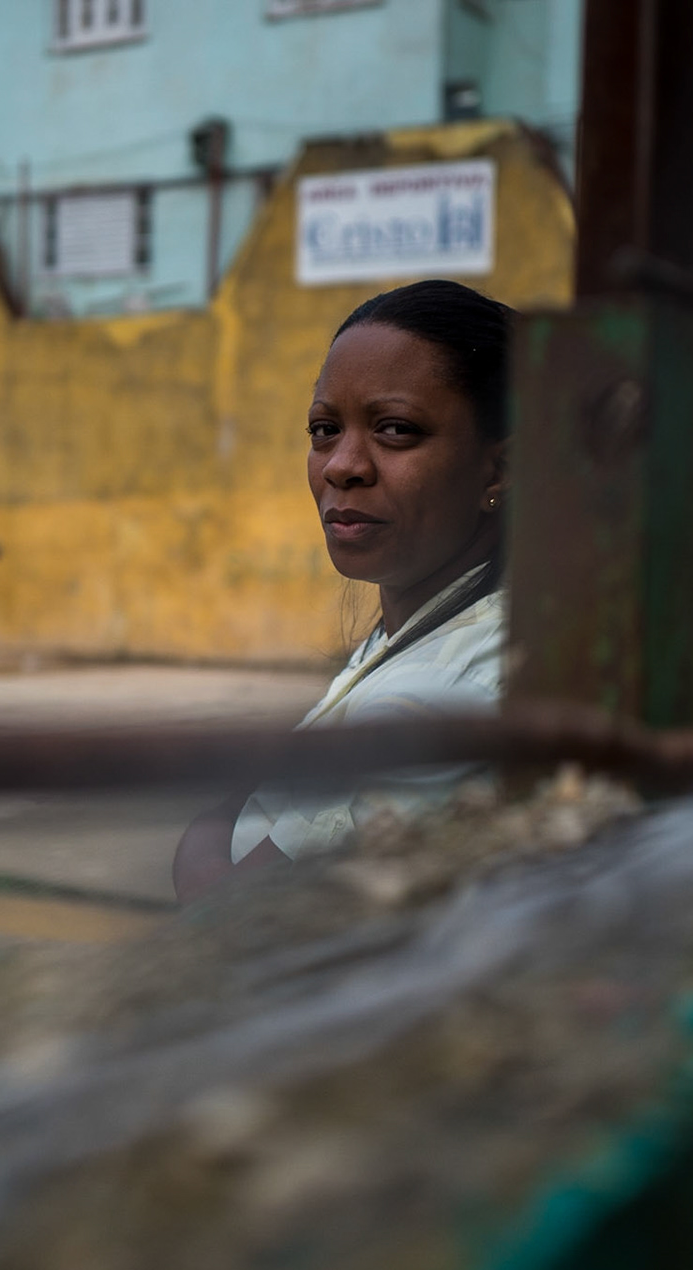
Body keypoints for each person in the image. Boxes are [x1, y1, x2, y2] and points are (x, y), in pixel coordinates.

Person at [172, 280, 511, 905]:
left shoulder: (442, 694)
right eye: (325, 429)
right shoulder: (422, 624)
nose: (341, 465)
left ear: (498, 469)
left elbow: (234, 922)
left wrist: (207, 832)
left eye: (396, 429)